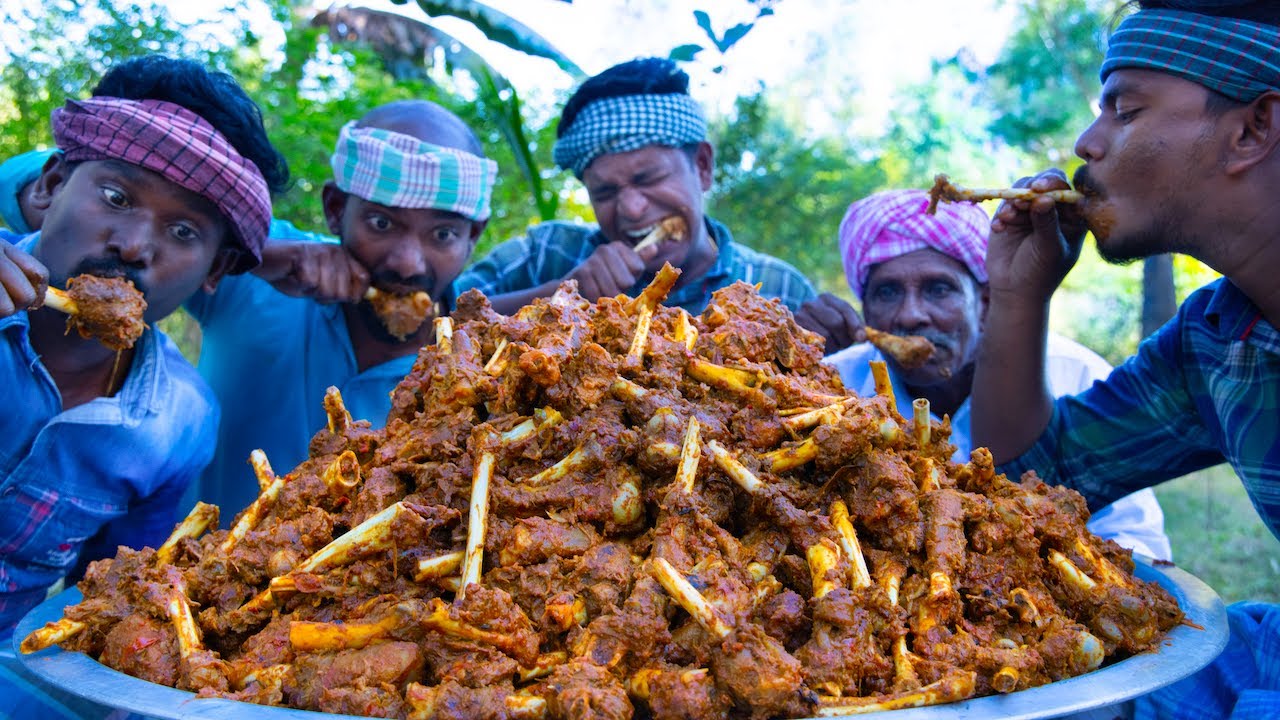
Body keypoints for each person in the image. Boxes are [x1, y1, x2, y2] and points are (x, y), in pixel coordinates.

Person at [969, 1, 1280, 717]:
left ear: (1253, 129)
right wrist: (1018, 298)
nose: (1086, 141)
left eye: (1125, 110)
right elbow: (1020, 489)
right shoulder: (1214, 342)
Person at [0, 53, 285, 711]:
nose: (133, 245)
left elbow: (108, 599)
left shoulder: (178, 424)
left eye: (184, 231)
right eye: (116, 197)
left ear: (213, 274)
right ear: (49, 186)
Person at [823, 189, 1171, 560]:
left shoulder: (1076, 375)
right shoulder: (831, 386)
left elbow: (1134, 538)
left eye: (939, 289)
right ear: (865, 310)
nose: (910, 315)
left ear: (986, 303)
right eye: (887, 292)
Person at [186, 99, 496, 515]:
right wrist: (258, 259)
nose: (408, 262)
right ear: (335, 209)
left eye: (442, 234)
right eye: (382, 223)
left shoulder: (486, 368)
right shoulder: (251, 257)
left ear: (473, 236)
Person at [456, 57, 816, 315]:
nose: (630, 208)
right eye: (605, 192)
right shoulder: (545, 255)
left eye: (649, 178)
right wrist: (559, 295)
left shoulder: (780, 290)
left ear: (703, 167)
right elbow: (421, 326)